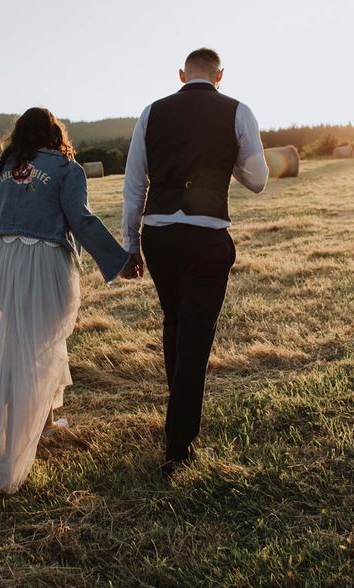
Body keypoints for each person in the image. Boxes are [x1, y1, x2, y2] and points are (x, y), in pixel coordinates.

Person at [0, 107, 132, 494]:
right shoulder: (66, 168)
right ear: (55, 133)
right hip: (44, 260)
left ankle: (41, 422)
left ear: (20, 134)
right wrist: (119, 261)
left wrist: (8, 242)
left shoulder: (2, 167)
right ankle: (27, 435)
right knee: (43, 341)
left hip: (4, 262)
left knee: (17, 341)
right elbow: (82, 220)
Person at [122, 48, 268, 477]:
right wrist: (231, 161)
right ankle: (179, 444)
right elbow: (258, 181)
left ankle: (176, 426)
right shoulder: (238, 111)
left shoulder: (151, 113)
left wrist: (131, 245)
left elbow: (135, 183)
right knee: (196, 335)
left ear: (182, 75)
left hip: (160, 235)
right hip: (206, 235)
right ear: (220, 75)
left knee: (175, 324)